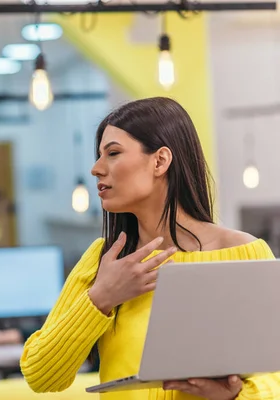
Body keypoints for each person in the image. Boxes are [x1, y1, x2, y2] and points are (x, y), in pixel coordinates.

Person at [20, 97, 280, 399]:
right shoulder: (104, 260)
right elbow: (40, 374)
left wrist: (232, 395)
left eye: (113, 153)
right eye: (98, 156)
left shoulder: (245, 253)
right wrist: (102, 297)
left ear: (160, 161)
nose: (95, 169)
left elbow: (274, 380)